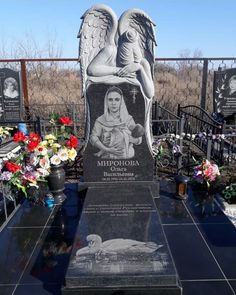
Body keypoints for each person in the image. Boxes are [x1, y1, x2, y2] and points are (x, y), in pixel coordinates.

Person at [90, 86, 144, 159]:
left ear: (121, 102)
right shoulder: (100, 120)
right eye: (110, 100)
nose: (113, 103)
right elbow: (93, 137)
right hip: (107, 157)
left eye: (117, 99)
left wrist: (131, 139)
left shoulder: (128, 118)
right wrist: (107, 149)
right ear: (106, 102)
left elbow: (139, 137)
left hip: (127, 156)